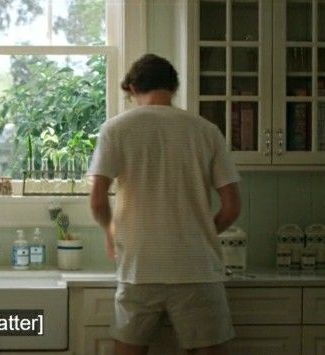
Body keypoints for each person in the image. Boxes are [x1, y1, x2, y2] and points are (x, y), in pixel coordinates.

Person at [88, 54, 242, 355]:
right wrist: (202, 232)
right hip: (196, 268)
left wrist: (110, 233)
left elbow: (97, 200)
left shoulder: (116, 129)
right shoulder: (206, 131)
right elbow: (232, 207)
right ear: (173, 87)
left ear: (132, 88)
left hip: (139, 267)